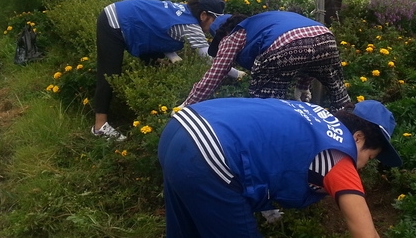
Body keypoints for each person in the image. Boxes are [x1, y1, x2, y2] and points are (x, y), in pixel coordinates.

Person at [159, 97, 402, 237]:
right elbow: (364, 231)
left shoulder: (316, 118)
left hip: (181, 127)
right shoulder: (338, 156)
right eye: (369, 158)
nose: (362, 167)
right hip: (209, 153)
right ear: (358, 138)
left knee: (185, 231)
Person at [92, 0, 245, 140]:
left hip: (126, 12)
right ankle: (100, 126)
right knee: (110, 73)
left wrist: (173, 58)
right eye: (215, 20)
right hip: (115, 20)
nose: (217, 27)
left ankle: (144, 106)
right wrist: (238, 74)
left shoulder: (184, 11)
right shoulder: (191, 27)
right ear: (204, 15)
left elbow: (160, 31)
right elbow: (210, 60)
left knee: (154, 62)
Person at [180, 11, 352, 111]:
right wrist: (303, 86)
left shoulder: (232, 36)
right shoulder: (265, 20)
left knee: (268, 107)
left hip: (287, 45)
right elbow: (309, 47)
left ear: (222, 34)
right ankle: (353, 132)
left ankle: (281, 137)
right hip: (326, 38)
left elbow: (214, 76)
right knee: (339, 96)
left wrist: (187, 105)